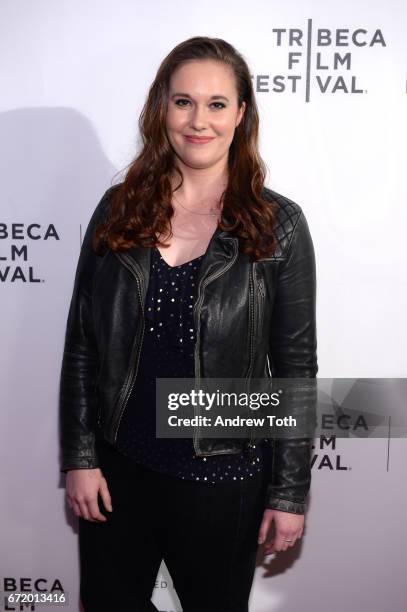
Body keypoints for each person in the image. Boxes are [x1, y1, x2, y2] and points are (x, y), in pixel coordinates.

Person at [59, 36, 318, 612]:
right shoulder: (118, 209)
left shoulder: (280, 225)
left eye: (216, 103)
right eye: (183, 102)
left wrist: (290, 492)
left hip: (223, 479)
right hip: (120, 468)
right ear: (162, 109)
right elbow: (83, 343)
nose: (198, 120)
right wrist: (81, 458)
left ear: (241, 114)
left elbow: (295, 369)